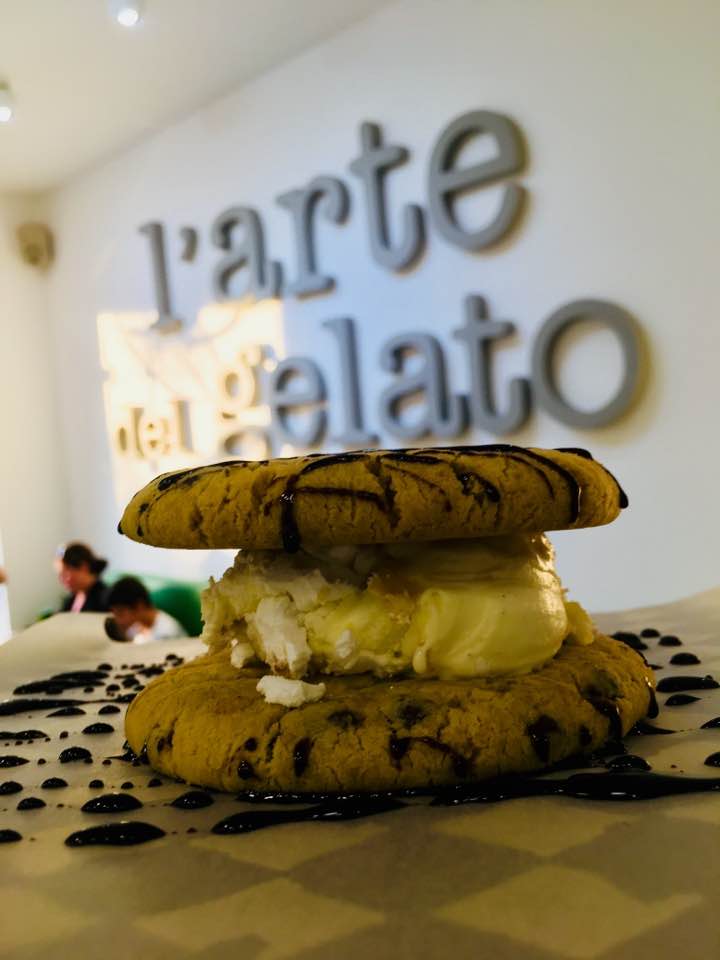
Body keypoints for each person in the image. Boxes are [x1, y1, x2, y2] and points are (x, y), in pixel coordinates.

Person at [107, 576, 187, 644]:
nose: (118, 620)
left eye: (120, 613)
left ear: (139, 606)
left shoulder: (166, 634)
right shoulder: (136, 625)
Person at [57, 542, 110, 613]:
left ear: (84, 567)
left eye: (64, 574)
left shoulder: (104, 600)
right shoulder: (73, 598)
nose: (62, 579)